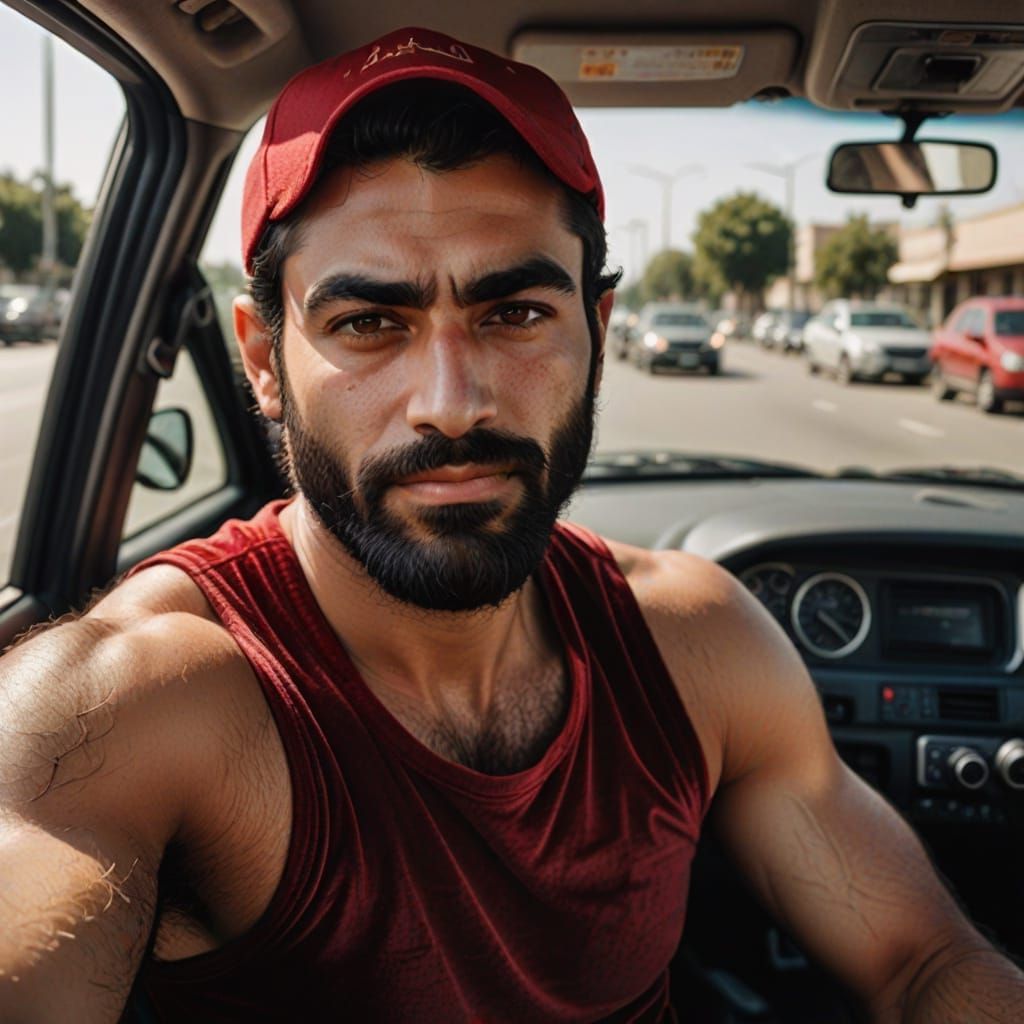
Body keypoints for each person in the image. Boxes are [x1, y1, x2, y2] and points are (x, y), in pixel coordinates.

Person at [1, 25, 1023, 1024]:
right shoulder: (133, 700)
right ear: (264, 360)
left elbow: (921, 958)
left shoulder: (693, 641)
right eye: (367, 324)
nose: (452, 402)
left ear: (599, 329)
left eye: (516, 313)